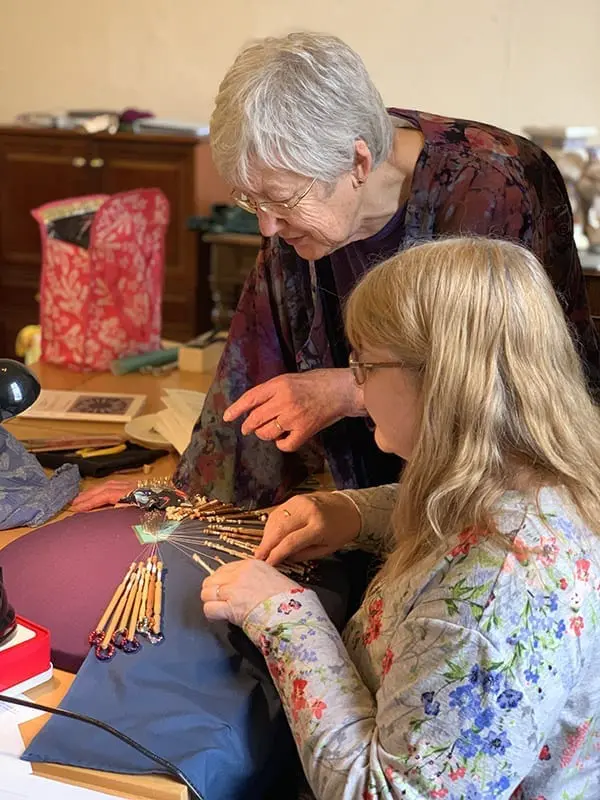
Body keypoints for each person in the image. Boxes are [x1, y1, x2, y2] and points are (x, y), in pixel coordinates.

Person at [72, 31, 600, 515]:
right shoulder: (298, 186)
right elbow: (253, 364)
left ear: (359, 163)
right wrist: (188, 498)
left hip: (499, 505)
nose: (266, 227)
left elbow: (494, 383)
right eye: (251, 201)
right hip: (370, 507)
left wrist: (348, 389)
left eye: (280, 201)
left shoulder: (492, 187)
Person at [201, 237, 600, 800]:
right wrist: (352, 512)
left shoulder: (498, 597)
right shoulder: (539, 479)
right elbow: (468, 511)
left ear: (441, 381)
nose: (358, 386)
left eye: (364, 364)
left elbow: (386, 792)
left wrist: (285, 618)